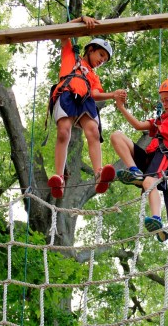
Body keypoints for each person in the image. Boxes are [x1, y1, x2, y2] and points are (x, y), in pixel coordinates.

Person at [47, 15, 127, 199]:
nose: (102, 61)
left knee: (93, 131)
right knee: (63, 132)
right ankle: (59, 178)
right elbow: (63, 31)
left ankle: (98, 173)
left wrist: (113, 94)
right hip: (67, 93)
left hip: (85, 100)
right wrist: (81, 20)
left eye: (105, 60)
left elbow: (96, 93)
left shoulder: (93, 76)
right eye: (101, 55)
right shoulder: (71, 55)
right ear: (90, 49)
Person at [110, 77, 168, 242]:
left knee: (149, 183)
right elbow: (138, 125)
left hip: (164, 155)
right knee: (116, 136)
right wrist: (121, 107)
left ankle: (156, 218)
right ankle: (134, 171)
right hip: (149, 156)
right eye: (162, 100)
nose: (165, 103)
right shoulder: (162, 119)